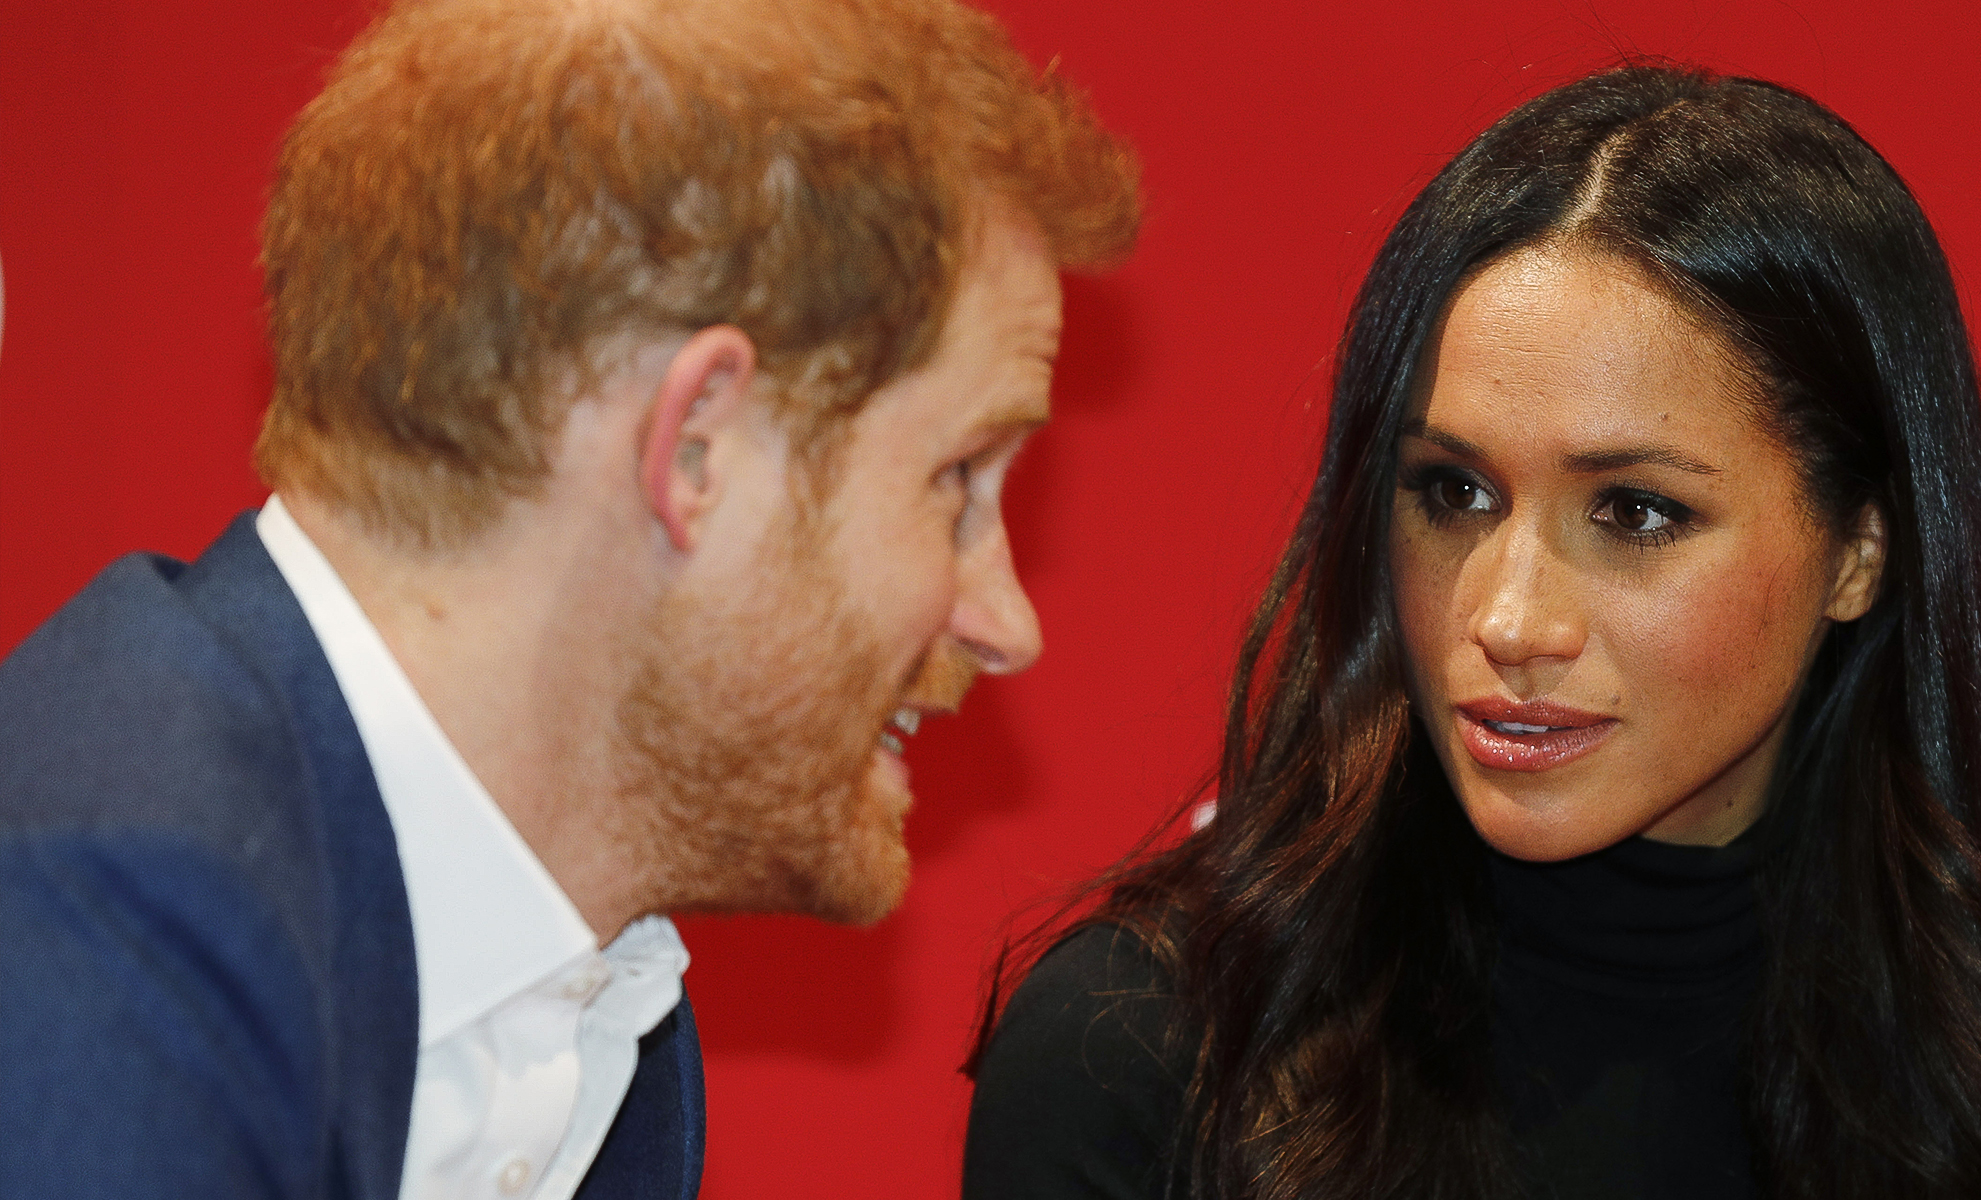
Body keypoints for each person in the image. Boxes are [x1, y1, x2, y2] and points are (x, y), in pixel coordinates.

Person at [963, 64, 1981, 1200]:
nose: (1508, 618)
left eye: (1636, 512)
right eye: (1453, 493)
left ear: (1859, 551)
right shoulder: (1144, 1050)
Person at [0, 0, 1137, 1195]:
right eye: (956, 478)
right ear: (697, 449)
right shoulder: (91, 948)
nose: (1006, 622)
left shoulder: (591, 1024)